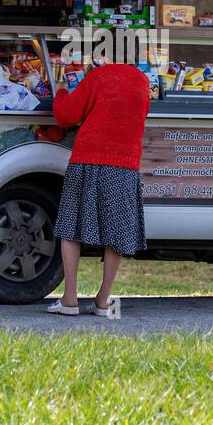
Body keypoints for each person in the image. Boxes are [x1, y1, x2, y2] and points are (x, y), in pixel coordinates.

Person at [47, 61, 151, 317]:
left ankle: (70, 299)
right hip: (125, 164)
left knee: (71, 226)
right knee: (117, 232)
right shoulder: (142, 81)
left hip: (88, 158)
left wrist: (60, 91)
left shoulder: (99, 76)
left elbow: (66, 116)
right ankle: (103, 301)